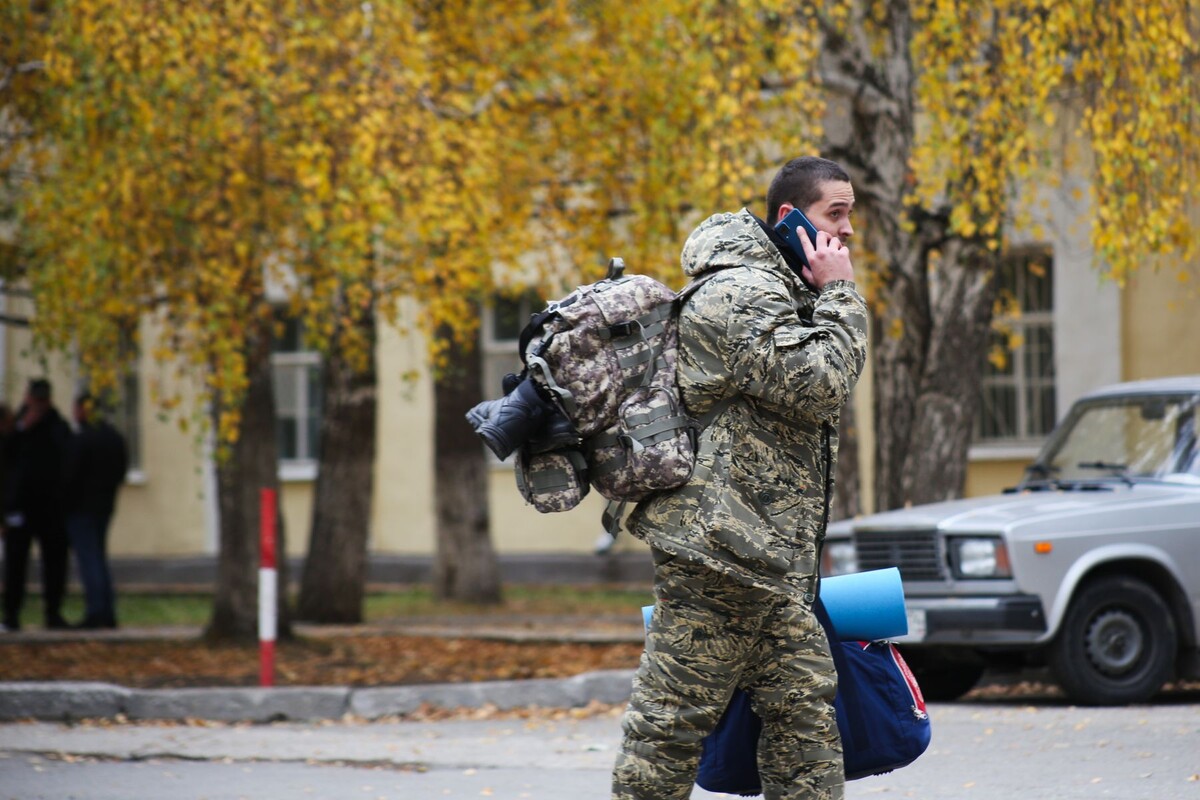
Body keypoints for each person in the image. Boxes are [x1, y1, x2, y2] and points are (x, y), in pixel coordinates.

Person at [611, 156, 869, 800]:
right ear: (790, 220)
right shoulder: (739, 292)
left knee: (805, 718)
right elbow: (821, 383)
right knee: (669, 727)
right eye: (834, 215)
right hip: (717, 552)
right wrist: (840, 293)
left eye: (851, 216)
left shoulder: (775, 289)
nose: (847, 232)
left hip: (765, 552)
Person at [2, 378, 73, 632]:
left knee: (55, 562)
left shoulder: (57, 425)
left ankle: (53, 612)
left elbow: (66, 458)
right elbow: (6, 455)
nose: (39, 405)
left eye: (43, 400)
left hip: (51, 507)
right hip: (20, 507)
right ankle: (11, 614)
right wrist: (22, 428)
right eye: (36, 399)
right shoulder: (16, 425)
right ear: (27, 398)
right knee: (15, 564)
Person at [64, 393, 129, 629]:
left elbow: (69, 476)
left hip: (82, 509)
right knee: (99, 558)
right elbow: (121, 471)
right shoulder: (114, 438)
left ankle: (96, 612)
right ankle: (107, 611)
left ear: (84, 410)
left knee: (90, 560)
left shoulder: (81, 439)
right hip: (105, 506)